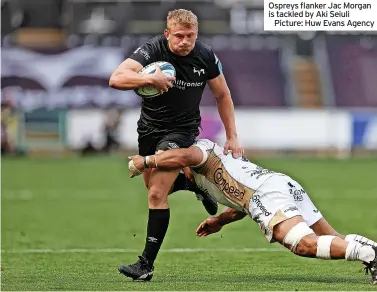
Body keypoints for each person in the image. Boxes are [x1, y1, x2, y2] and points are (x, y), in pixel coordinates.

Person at [109, 9, 243, 280]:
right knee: (154, 186)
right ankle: (192, 182)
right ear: (167, 33)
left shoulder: (205, 56)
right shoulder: (152, 50)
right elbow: (116, 78)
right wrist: (149, 78)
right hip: (149, 129)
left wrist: (232, 136)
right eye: (179, 36)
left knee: (156, 194)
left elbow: (223, 94)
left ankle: (145, 265)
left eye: (190, 36)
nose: (185, 41)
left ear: (197, 34)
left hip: (181, 131)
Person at [128, 138, 377, 284]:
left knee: (303, 244)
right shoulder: (204, 179)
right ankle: (372, 250)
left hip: (267, 193)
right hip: (280, 185)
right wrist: (221, 221)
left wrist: (147, 161)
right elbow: (241, 202)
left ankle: (369, 253)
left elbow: (183, 155)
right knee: (332, 237)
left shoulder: (199, 152)